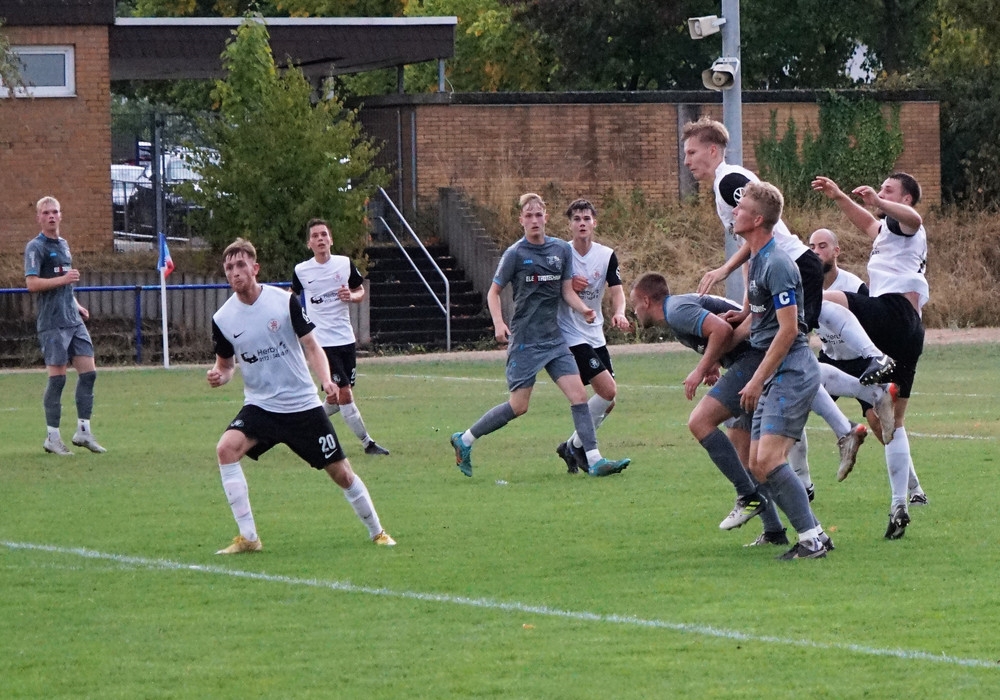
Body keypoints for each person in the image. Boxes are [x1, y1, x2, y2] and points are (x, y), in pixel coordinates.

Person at [682, 116, 876, 495]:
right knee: (786, 356)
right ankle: (833, 440)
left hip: (793, 266)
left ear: (712, 150)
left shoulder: (728, 182)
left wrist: (725, 270)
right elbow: (755, 245)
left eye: (691, 152)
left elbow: (761, 234)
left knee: (791, 351)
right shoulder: (728, 182)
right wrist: (746, 305)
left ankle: (865, 390)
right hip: (787, 267)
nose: (687, 161)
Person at [208, 238, 395, 554]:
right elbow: (226, 366)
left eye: (241, 265)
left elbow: (312, 346)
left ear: (255, 268)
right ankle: (249, 538)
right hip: (261, 406)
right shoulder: (223, 319)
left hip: (302, 405)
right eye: (229, 267)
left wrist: (326, 380)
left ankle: (377, 532)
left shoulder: (283, 302)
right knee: (225, 449)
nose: (235, 272)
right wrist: (219, 376)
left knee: (341, 473)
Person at [450, 193, 631, 478]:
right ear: (521, 220)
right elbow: (494, 292)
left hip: (555, 340)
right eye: (528, 215)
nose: (534, 220)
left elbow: (566, 290)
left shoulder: (560, 250)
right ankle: (466, 439)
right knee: (519, 406)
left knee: (579, 396)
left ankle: (594, 459)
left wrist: (583, 309)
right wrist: (498, 323)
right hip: (526, 340)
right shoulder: (515, 254)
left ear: (546, 217)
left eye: (538, 215)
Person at [629, 273, 796, 547]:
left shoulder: (675, 310)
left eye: (635, 305)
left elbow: (721, 330)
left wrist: (701, 369)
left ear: (646, 301)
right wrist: (715, 361)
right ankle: (775, 531)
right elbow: (719, 330)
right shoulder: (676, 311)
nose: (635, 312)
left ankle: (748, 496)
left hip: (755, 358)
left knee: (700, 422)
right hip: (750, 357)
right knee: (746, 456)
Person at [812, 172, 930, 538]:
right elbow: (868, 224)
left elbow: (915, 219)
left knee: (821, 301)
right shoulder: (888, 231)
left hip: (894, 312)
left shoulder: (908, 225)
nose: (880, 193)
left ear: (905, 198)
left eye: (888, 190)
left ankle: (861, 378)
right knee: (891, 422)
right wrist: (839, 196)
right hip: (910, 332)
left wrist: (878, 202)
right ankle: (900, 504)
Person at [730, 181, 828, 560]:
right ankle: (816, 533)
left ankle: (811, 540)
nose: (734, 211)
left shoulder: (778, 264)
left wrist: (756, 379)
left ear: (757, 219)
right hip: (773, 373)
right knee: (757, 463)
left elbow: (789, 330)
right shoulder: (757, 259)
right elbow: (763, 321)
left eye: (741, 208)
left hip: (792, 371)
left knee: (769, 459)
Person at [292, 218, 389, 456]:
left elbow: (360, 290)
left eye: (324, 234)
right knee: (345, 393)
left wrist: (352, 296)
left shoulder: (344, 264)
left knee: (336, 398)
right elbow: (291, 297)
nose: (320, 239)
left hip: (345, 339)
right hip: (322, 344)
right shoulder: (302, 271)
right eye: (315, 236)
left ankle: (299, 428)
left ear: (331, 239)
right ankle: (368, 443)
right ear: (309, 243)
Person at [553, 199, 631, 473]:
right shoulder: (561, 254)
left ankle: (571, 445)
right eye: (577, 219)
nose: (582, 223)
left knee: (608, 401)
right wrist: (568, 287)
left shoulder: (606, 255)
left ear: (594, 223)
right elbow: (555, 288)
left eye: (586, 218)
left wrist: (619, 312)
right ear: (570, 225)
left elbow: (617, 290)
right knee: (607, 390)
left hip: (595, 333)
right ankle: (587, 452)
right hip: (571, 334)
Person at [23, 196, 106, 456]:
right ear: (39, 217)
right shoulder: (35, 247)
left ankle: (83, 431)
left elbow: (65, 285)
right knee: (57, 379)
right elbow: (32, 284)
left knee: (89, 374)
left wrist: (76, 303)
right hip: (52, 323)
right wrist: (63, 280)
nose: (51, 216)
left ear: (61, 215)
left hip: (73, 320)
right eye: (46, 212)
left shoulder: (64, 244)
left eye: (55, 212)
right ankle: (52, 437)